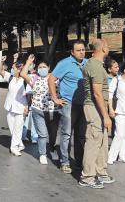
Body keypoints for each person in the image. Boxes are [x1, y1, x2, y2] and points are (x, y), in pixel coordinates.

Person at [79, 39, 115, 189]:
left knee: (102, 141)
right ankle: (87, 177)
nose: (109, 48)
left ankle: (101, 172)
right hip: (94, 107)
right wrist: (106, 116)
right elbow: (97, 93)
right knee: (94, 141)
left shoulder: (97, 65)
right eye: (107, 46)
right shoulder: (94, 65)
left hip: (99, 107)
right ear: (103, 49)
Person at [48, 40, 88, 174]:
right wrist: (55, 98)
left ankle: (79, 161)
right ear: (72, 52)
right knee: (66, 134)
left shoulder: (87, 63)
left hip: (84, 104)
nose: (82, 52)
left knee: (81, 135)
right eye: (78, 50)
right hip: (68, 103)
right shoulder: (64, 63)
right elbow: (51, 78)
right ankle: (64, 161)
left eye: (83, 49)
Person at [21, 54, 59, 165]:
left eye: (44, 67)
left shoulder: (55, 78)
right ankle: (42, 154)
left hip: (53, 111)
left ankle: (52, 147)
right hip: (38, 110)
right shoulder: (34, 78)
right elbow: (23, 74)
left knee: (53, 134)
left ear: (49, 67)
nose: (42, 69)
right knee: (42, 134)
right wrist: (29, 61)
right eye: (40, 67)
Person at [2, 57, 31, 156]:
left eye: (16, 68)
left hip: (21, 107)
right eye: (14, 68)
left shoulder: (26, 80)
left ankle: (14, 148)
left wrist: (27, 107)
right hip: (9, 106)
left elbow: (29, 95)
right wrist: (1, 61)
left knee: (18, 128)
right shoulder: (10, 78)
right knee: (12, 128)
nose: (14, 69)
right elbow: (1, 71)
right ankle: (20, 144)